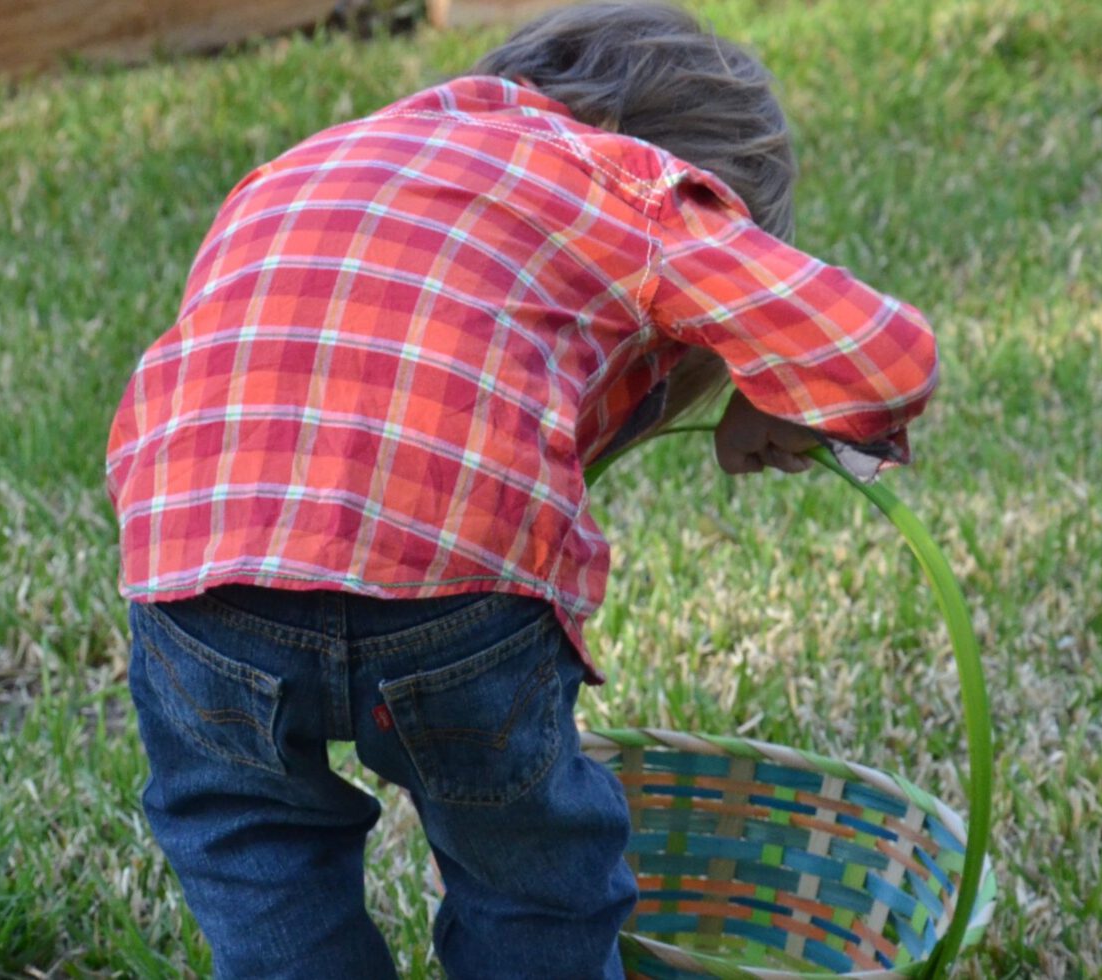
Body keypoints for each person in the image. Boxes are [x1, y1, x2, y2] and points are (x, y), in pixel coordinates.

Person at [103, 3, 938, 976]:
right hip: (448, 564)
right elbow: (886, 351)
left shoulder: (305, 161)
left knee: (251, 844)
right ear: (703, 182)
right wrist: (771, 382)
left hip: (192, 553)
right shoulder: (633, 185)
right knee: (531, 875)